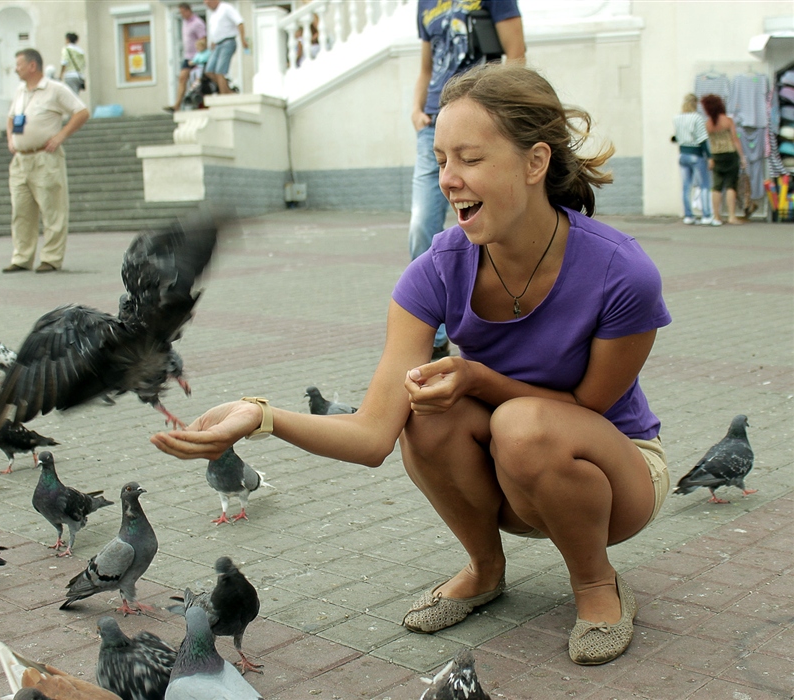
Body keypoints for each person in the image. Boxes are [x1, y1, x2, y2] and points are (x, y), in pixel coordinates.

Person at [152, 63, 672, 667]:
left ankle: (595, 584)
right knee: (422, 413)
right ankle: (484, 569)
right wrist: (259, 416)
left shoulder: (622, 273)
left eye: (470, 159)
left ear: (535, 163)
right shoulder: (437, 268)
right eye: (441, 158)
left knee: (520, 424)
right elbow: (374, 433)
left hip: (614, 474)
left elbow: (587, 411)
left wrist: (478, 378)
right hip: (511, 473)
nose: (448, 180)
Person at [409, 0, 525, 360]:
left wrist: (501, 117)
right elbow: (426, 66)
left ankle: (499, 322)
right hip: (433, 122)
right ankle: (435, 330)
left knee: (493, 222)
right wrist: (417, 109)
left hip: (481, 120)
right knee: (420, 225)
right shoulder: (425, 4)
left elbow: (516, 53)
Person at [4, 48, 89, 273]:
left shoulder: (55, 89)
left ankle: (51, 257)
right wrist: (11, 139)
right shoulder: (20, 91)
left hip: (45, 158)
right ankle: (22, 257)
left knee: (53, 209)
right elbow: (11, 118)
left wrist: (60, 136)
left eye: (19, 64)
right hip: (21, 160)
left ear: (32, 66)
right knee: (21, 211)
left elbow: (81, 112)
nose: (16, 69)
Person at [700, 93, 748, 226]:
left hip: (716, 156)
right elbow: (735, 140)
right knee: (730, 186)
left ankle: (716, 216)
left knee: (716, 187)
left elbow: (707, 143)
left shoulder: (707, 124)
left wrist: (710, 158)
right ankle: (732, 216)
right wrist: (742, 157)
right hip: (730, 155)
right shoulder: (728, 121)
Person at [672, 93, 712, 225]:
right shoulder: (697, 118)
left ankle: (688, 215)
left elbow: (677, 137)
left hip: (683, 154)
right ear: (695, 103)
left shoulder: (677, 118)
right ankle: (706, 215)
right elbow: (702, 139)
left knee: (686, 187)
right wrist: (710, 157)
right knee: (704, 185)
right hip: (696, 154)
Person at [165, 3, 206, 112]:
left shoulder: (197, 23)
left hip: (197, 57)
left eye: (183, 12)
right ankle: (177, 105)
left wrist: (201, 54)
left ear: (188, 10)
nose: (182, 14)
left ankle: (200, 104)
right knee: (182, 78)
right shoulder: (185, 23)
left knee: (197, 81)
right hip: (188, 57)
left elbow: (203, 39)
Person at [203, 0, 248, 95]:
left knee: (220, 71)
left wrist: (243, 39)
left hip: (228, 42)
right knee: (209, 71)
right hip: (217, 44)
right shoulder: (213, 14)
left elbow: (239, 22)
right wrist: (213, 41)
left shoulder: (226, 8)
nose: (208, 6)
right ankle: (228, 91)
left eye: (208, 3)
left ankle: (224, 94)